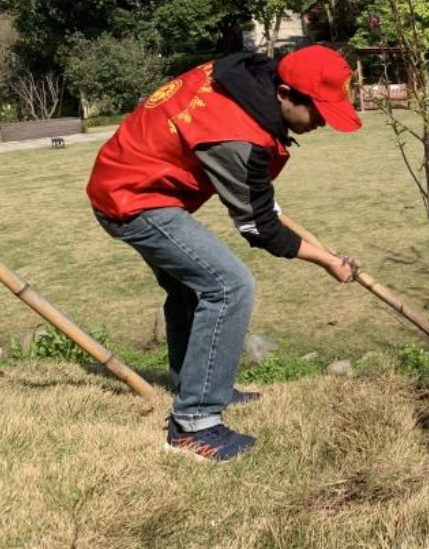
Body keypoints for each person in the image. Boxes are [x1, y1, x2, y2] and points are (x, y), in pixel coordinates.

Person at [88, 45, 363, 460]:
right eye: (320, 112)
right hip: (132, 199)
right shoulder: (237, 135)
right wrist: (326, 261)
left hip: (130, 179)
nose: (322, 123)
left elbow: (257, 201)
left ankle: (195, 383)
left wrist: (321, 249)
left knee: (191, 289)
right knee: (229, 286)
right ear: (285, 93)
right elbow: (260, 228)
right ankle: (194, 425)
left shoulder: (245, 76)